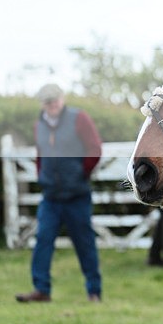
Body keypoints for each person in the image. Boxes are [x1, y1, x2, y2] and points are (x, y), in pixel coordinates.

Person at [15, 84, 103, 303]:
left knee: (85, 244)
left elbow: (95, 149)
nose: (52, 105)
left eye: (55, 101)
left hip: (77, 196)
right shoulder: (39, 125)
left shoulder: (79, 118)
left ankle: (94, 291)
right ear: (42, 104)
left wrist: (80, 173)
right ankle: (41, 290)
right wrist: (41, 175)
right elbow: (40, 154)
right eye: (48, 102)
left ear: (62, 100)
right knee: (43, 241)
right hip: (51, 197)